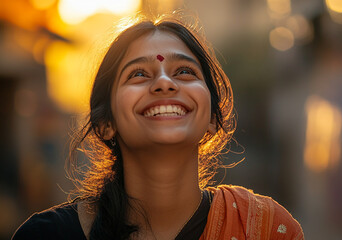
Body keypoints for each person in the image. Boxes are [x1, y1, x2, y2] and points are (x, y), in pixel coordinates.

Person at [12, 14, 304, 240]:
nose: (165, 82)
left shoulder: (265, 229)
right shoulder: (45, 235)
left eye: (184, 72)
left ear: (213, 119)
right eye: (138, 74)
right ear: (105, 124)